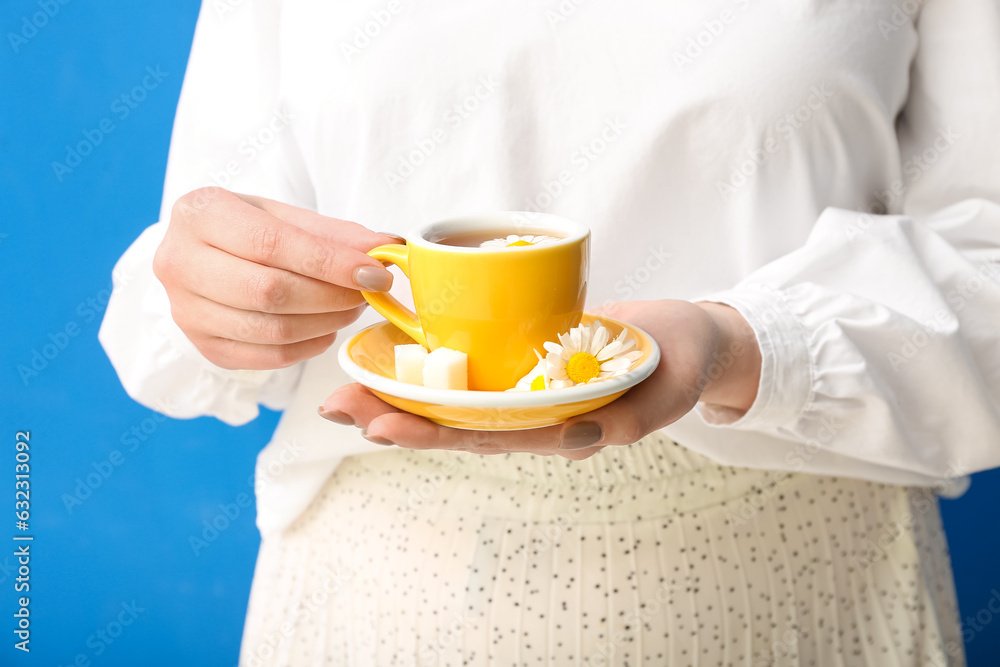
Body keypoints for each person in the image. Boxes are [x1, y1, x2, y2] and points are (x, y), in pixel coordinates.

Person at [99, 0, 1000, 664]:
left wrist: (744, 344)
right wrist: (209, 292)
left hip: (809, 597)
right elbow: (188, 281)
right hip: (374, 605)